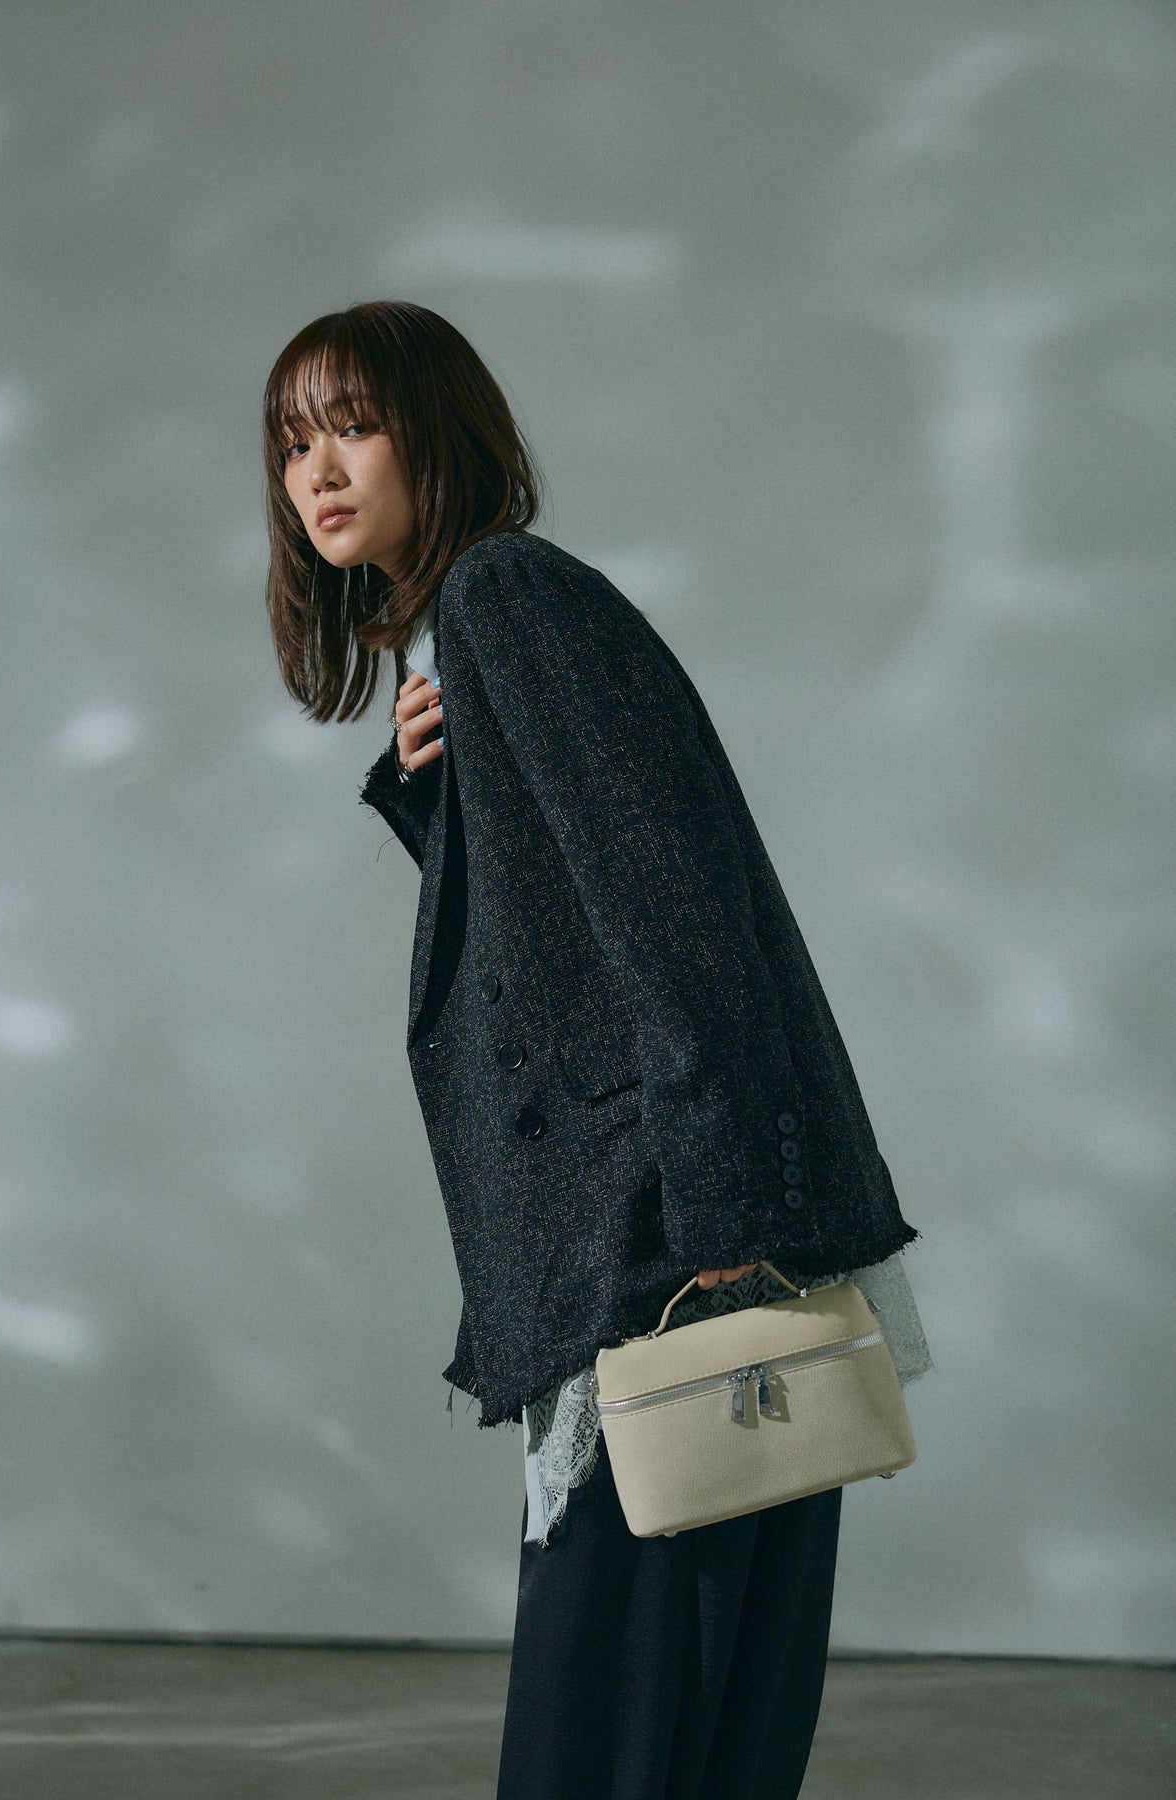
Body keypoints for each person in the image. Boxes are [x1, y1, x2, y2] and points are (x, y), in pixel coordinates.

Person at [261, 299, 933, 1799]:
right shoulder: (486, 621)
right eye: (293, 444)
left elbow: (674, 915)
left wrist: (723, 1232)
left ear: (437, 433)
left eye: (354, 425)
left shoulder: (503, 596)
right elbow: (562, 932)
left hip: (659, 1244)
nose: (319, 472)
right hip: (666, 1224)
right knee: (707, 1715)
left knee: (614, 1724)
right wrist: (438, 803)